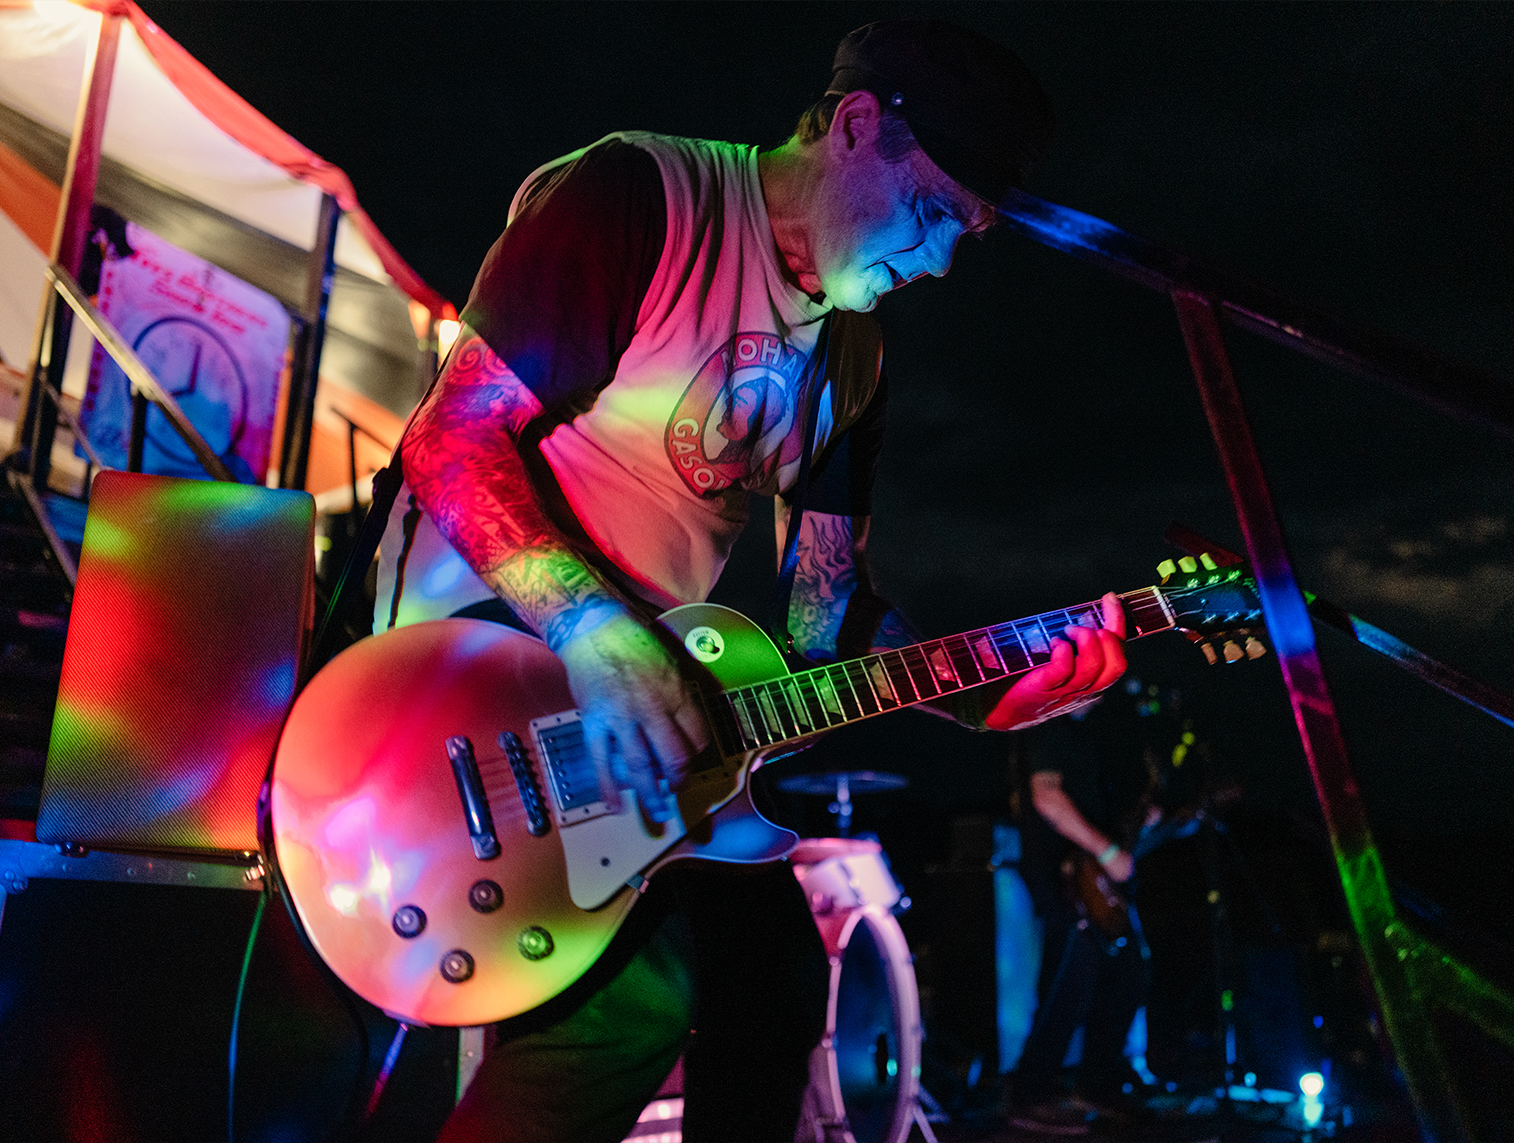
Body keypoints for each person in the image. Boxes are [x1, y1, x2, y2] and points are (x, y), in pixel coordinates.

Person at [377, 19, 1128, 1142]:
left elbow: (825, 622)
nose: (935, 262)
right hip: (480, 686)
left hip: (651, 725)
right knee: (627, 1007)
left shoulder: (855, 365)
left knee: (774, 980)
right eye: (931, 214)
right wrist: (599, 631)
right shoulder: (642, 196)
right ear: (858, 128)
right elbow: (451, 443)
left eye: (963, 237)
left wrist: (987, 694)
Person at [1008, 694, 1160, 1136]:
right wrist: (1108, 851)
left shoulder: (1079, 735)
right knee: (1068, 980)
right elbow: (1047, 797)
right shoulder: (1049, 728)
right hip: (1064, 876)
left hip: (1085, 876)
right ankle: (1032, 1092)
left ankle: (1097, 1084)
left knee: (1122, 973)